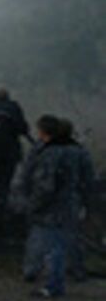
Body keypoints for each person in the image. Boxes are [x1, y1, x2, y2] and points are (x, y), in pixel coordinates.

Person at [19, 114, 76, 298]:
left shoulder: (50, 154)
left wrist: (33, 205)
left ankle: (53, 286)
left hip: (51, 209)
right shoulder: (66, 151)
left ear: (43, 131)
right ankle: (52, 282)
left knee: (52, 246)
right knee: (55, 245)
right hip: (62, 205)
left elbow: (45, 186)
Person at [57, 118, 96, 282]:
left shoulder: (44, 150)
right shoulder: (79, 152)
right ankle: (75, 268)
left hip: (48, 199)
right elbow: (88, 178)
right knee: (71, 233)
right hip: (71, 197)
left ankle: (44, 269)